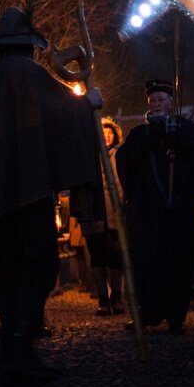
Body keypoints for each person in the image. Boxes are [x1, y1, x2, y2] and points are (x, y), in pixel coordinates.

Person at [0, 6, 103, 386]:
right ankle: (18, 346)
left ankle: (13, 345)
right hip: (31, 194)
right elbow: (64, 113)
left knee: (8, 267)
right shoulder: (33, 77)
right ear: (29, 46)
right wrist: (89, 103)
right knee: (41, 264)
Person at [115, 79, 194, 334]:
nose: (156, 104)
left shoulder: (188, 130)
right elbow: (125, 160)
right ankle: (147, 312)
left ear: (171, 102)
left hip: (179, 210)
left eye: (161, 99)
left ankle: (175, 315)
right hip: (148, 212)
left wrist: (177, 140)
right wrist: (153, 137)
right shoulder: (139, 133)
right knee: (147, 261)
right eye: (152, 100)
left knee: (177, 261)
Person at [83, 117, 125, 316]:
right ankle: (103, 299)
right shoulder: (89, 155)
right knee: (97, 257)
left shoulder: (121, 155)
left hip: (115, 214)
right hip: (94, 213)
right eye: (103, 132)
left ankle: (117, 296)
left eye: (110, 133)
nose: (106, 136)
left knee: (116, 257)